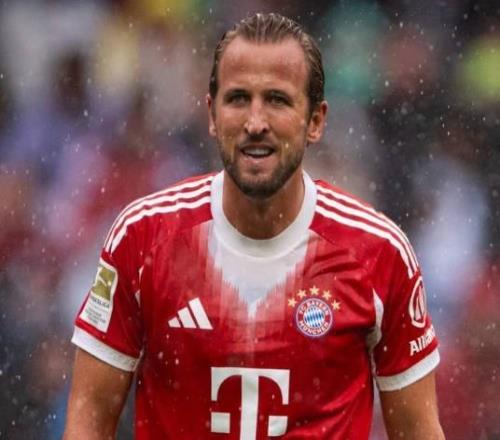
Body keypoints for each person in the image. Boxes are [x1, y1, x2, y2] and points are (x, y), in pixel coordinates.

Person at [63, 13, 445, 440]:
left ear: (315, 121)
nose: (255, 122)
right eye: (238, 98)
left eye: (277, 100)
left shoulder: (379, 253)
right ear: (211, 114)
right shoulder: (142, 237)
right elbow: (88, 419)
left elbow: (419, 432)